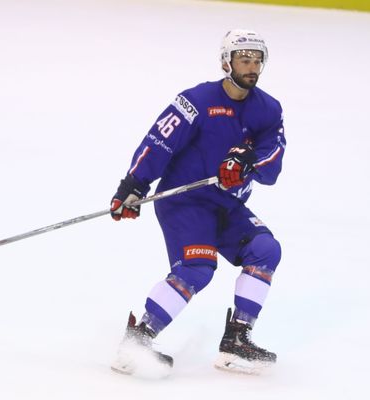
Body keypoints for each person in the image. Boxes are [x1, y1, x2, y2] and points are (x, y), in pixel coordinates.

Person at [109, 29, 286, 375]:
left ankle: (236, 341)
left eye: (256, 60)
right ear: (226, 62)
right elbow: (159, 142)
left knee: (266, 250)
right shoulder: (196, 101)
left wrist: (247, 161)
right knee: (197, 269)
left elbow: (272, 163)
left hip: (228, 206)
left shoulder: (268, 109)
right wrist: (133, 184)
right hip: (185, 203)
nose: (251, 66)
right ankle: (137, 340)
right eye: (243, 59)